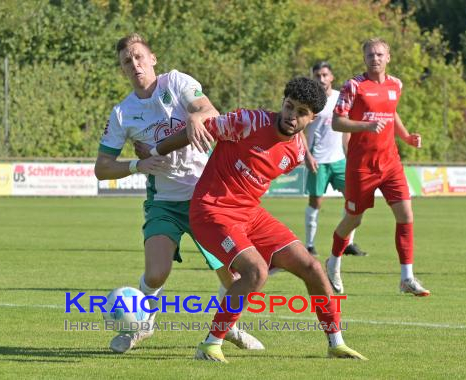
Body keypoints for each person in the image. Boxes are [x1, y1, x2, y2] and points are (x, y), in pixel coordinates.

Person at [150, 76, 367, 362]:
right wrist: (156, 151)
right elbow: (199, 129)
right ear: (283, 102)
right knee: (256, 272)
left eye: (302, 112)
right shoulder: (248, 121)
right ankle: (210, 345)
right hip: (212, 210)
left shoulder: (298, 152)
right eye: (289, 106)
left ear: (312, 118)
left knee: (313, 266)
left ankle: (336, 344)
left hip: (250, 213)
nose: (292, 115)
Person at [94, 33, 263, 353]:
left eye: (139, 57)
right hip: (164, 203)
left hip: (206, 200)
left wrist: (197, 117)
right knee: (156, 274)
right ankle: (141, 325)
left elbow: (209, 111)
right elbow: (102, 167)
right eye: (126, 62)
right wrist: (136, 166)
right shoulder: (122, 113)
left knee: (234, 277)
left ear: (153, 58)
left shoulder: (176, 82)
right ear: (122, 70)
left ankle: (230, 329)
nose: (134, 65)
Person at [325, 37, 430, 296]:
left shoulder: (396, 84)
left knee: (406, 215)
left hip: (390, 163)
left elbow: (391, 113)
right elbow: (337, 122)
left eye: (380, 54)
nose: (375, 59)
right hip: (361, 166)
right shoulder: (354, 86)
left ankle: (407, 277)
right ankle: (333, 262)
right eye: (371, 55)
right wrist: (365, 126)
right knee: (353, 219)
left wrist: (406, 137)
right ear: (365, 58)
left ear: (388, 57)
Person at [302, 61, 367, 257]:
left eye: (324, 75)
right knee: (316, 203)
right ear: (313, 78)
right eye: (317, 76)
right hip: (318, 161)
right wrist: (307, 155)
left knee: (353, 200)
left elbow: (346, 129)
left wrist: (351, 156)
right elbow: (301, 132)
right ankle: (310, 245)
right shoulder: (310, 102)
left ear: (331, 77)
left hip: (339, 160)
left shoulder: (341, 98)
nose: (321, 79)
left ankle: (348, 243)